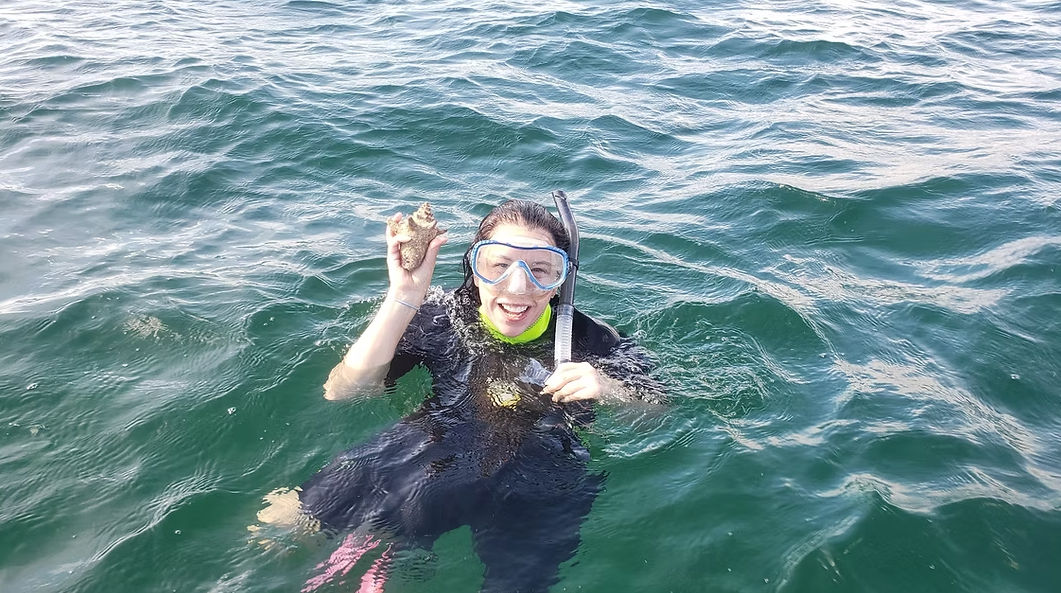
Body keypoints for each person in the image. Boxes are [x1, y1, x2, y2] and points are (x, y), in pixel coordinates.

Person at [298, 198, 661, 593]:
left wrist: (610, 390)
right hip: (425, 453)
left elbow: (656, 416)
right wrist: (402, 298)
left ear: (562, 277)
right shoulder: (442, 316)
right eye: (498, 265)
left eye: (540, 270)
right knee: (284, 524)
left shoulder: (593, 340)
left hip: (538, 482)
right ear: (474, 268)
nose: (518, 286)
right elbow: (343, 391)